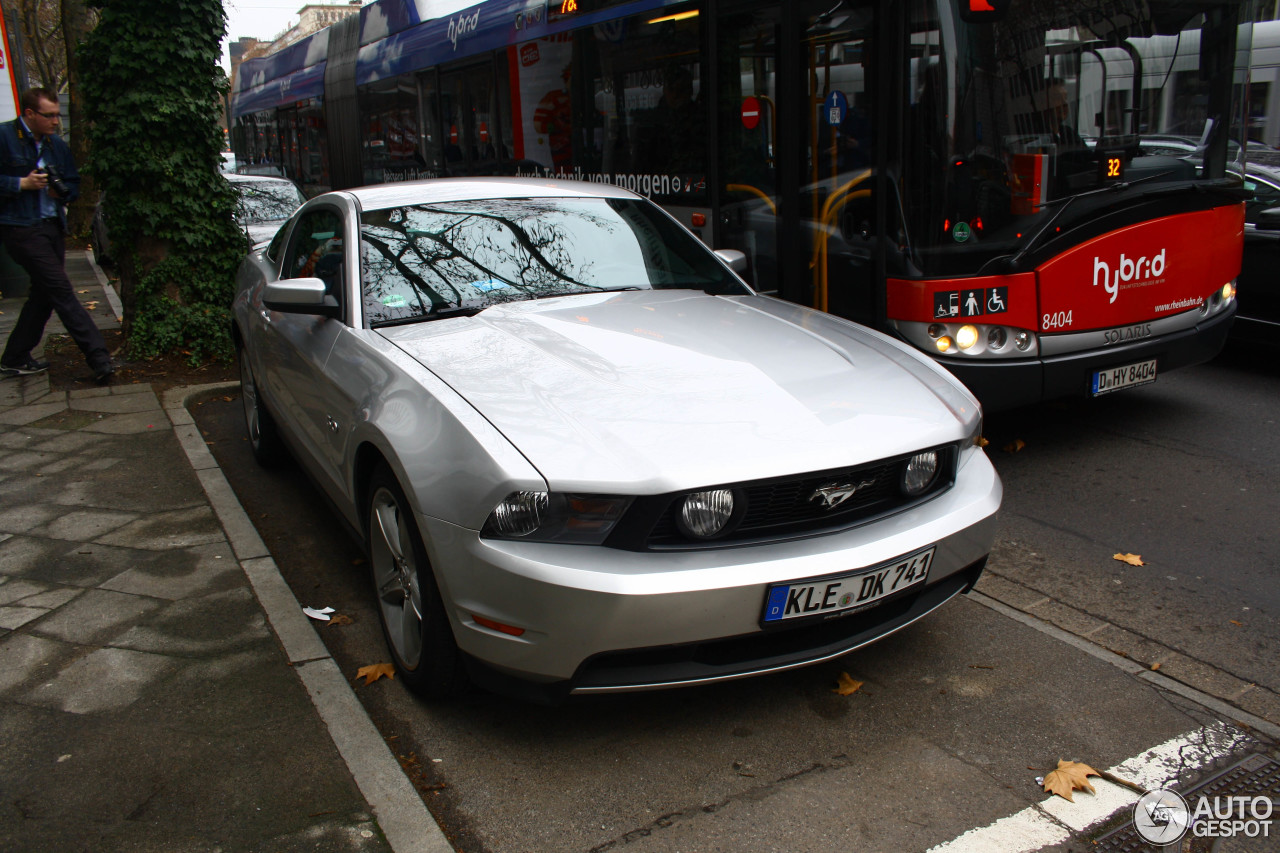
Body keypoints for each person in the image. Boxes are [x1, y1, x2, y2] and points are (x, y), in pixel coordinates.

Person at [0, 87, 112, 383]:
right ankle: (98, 357)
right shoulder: (5, 138)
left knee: (44, 294)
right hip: (20, 228)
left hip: (51, 227)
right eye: (48, 116)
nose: (55, 121)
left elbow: (73, 183)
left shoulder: (55, 146)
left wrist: (60, 192)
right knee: (60, 289)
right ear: (29, 114)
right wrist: (20, 184)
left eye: (56, 115)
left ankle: (13, 357)